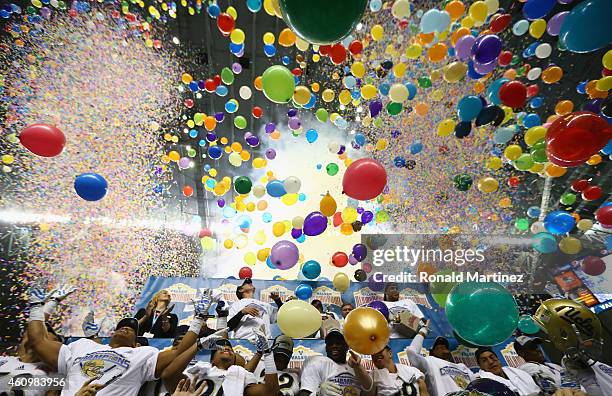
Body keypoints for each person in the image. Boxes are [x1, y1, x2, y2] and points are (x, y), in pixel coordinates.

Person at [26, 285, 222, 396]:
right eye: (121, 326)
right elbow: (38, 341)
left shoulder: (141, 354)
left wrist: (198, 318)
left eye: (132, 329)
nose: (126, 327)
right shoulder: (81, 346)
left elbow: (178, 354)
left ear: (136, 341)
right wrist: (37, 307)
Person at [0, 285, 72, 396]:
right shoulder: (5, 360)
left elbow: (36, 337)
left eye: (49, 335)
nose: (42, 335)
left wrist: (37, 307)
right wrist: (52, 302)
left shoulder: (56, 372)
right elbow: (34, 333)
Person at [183, 335, 280, 396]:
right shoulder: (200, 369)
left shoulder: (240, 374)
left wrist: (267, 353)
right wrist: (198, 345)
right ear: (212, 360)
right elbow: (168, 375)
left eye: (231, 349)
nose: (227, 349)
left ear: (234, 360)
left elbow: (270, 392)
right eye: (220, 348)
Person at [298, 328, 373, 396]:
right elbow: (304, 393)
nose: (334, 346)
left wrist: (358, 367)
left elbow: (370, 391)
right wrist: (318, 394)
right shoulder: (316, 362)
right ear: (326, 348)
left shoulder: (355, 367)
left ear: (347, 346)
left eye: (338, 343)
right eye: (330, 343)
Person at [407, 323, 476, 396]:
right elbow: (411, 352)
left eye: (445, 346)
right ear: (432, 353)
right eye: (438, 347)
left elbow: (478, 386)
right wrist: (423, 331)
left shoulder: (462, 367)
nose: (442, 346)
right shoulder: (430, 362)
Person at [514, 336, 585, 395]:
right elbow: (551, 390)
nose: (538, 349)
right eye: (532, 348)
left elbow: (574, 381)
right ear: (522, 353)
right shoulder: (527, 367)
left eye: (537, 346)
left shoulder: (552, 365)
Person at [475, 347, 541, 396]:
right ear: (480, 366)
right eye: (484, 360)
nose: (490, 362)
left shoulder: (517, 372)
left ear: (498, 359)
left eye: (492, 357)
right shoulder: (483, 384)